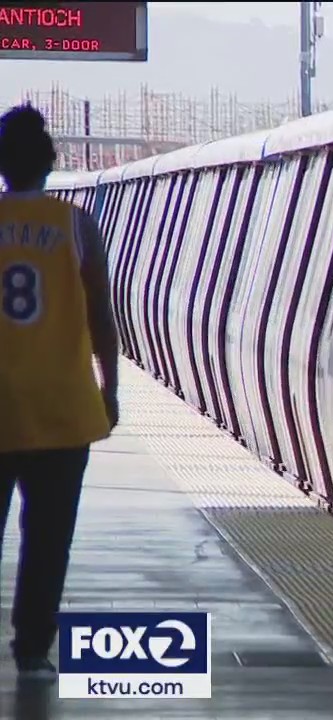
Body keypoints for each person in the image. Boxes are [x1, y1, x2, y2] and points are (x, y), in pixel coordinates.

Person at [0, 104, 119, 680]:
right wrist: (109, 388)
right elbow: (101, 316)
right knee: (48, 538)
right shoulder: (76, 225)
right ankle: (32, 650)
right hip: (63, 410)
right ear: (49, 163)